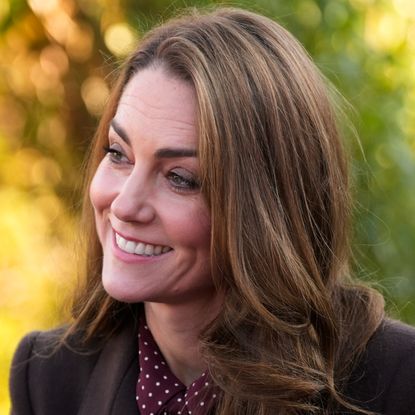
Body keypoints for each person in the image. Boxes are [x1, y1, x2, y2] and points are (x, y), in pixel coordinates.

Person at [9, 7, 415, 415]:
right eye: (118, 153)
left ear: (265, 208)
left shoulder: (397, 380)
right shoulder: (47, 377)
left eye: (180, 178)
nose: (125, 204)